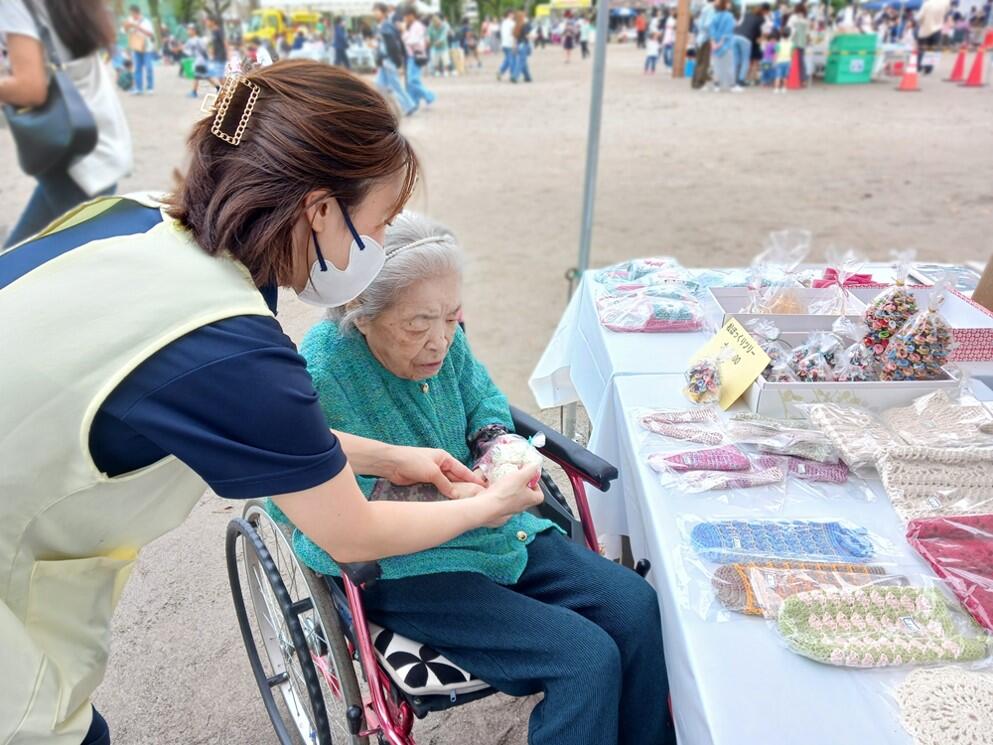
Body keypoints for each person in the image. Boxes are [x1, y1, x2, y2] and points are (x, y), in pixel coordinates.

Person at [1, 60, 551, 745]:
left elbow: (247, 425)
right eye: (378, 225)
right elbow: (352, 532)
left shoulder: (154, 224)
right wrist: (490, 504)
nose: (378, 249)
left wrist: (391, 456)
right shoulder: (229, 347)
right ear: (320, 210)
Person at [288, 212, 677, 745]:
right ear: (360, 312)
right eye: (417, 324)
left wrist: (501, 451)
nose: (440, 342)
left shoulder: (446, 340)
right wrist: (465, 496)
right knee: (584, 659)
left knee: (634, 605)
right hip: (408, 566)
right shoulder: (321, 373)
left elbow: (484, 406)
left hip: (493, 529)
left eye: (451, 317)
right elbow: (323, 507)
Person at [1, 0, 132, 249]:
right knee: (19, 256)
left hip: (68, 153)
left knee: (22, 266)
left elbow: (31, 88)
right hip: (96, 143)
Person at [373, 2, 415, 115]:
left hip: (388, 60)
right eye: (374, 10)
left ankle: (409, 106)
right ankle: (384, 109)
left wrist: (396, 60)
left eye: (377, 10)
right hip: (384, 61)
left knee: (394, 85)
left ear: (383, 12)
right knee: (379, 85)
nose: (374, 13)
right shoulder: (383, 25)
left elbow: (391, 45)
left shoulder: (386, 25)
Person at [401, 6, 435, 110]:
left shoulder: (417, 26)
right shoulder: (412, 26)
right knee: (413, 81)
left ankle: (429, 96)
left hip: (416, 56)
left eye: (406, 16)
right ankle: (413, 103)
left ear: (412, 15)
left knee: (412, 81)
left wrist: (404, 32)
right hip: (412, 56)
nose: (405, 19)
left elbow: (412, 41)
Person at [732, 2, 768, 88]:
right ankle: (740, 81)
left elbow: (738, 24)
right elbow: (763, 33)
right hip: (746, 38)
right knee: (745, 61)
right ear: (765, 11)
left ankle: (733, 80)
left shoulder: (747, 14)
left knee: (736, 60)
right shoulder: (762, 19)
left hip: (735, 35)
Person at [122, 3, 154, 94]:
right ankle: (138, 88)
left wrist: (137, 27)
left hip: (146, 48)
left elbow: (150, 34)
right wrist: (126, 26)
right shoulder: (130, 20)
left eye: (133, 13)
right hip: (135, 47)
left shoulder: (146, 21)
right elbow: (124, 31)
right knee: (137, 68)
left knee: (149, 68)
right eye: (131, 14)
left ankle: (150, 88)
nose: (132, 15)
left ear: (138, 13)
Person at [709, 0, 737, 91]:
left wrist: (714, 43)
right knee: (729, 65)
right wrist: (720, 43)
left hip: (715, 45)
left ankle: (716, 85)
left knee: (716, 66)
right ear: (725, 5)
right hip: (726, 44)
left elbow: (711, 30)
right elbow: (728, 32)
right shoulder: (729, 16)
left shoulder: (714, 16)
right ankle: (732, 85)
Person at [916, 0, 950, 72]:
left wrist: (919, 22)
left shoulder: (927, 4)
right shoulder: (944, 3)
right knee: (932, 49)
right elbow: (946, 13)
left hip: (925, 29)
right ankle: (929, 68)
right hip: (938, 28)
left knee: (922, 48)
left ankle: (919, 66)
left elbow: (920, 16)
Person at [693, 0, 716, 89]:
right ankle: (700, 83)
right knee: (704, 62)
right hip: (705, 38)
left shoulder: (704, 8)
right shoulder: (711, 9)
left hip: (700, 37)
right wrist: (712, 36)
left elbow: (699, 23)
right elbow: (708, 25)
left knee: (699, 61)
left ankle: (695, 82)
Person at [787, 4, 809, 85]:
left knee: (791, 61)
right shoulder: (805, 19)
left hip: (793, 42)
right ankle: (803, 79)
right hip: (802, 43)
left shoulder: (793, 17)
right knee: (801, 61)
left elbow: (788, 29)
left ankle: (791, 78)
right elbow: (807, 33)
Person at [510, 10, 532, 83]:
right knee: (521, 62)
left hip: (518, 45)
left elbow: (515, 38)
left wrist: (514, 47)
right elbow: (527, 35)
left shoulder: (515, 26)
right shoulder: (524, 25)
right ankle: (515, 76)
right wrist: (534, 37)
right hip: (524, 44)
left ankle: (527, 77)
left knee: (523, 61)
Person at [205, 15, 227, 80]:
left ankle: (228, 89)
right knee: (220, 76)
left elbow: (225, 42)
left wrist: (228, 54)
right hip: (217, 56)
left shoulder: (218, 30)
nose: (206, 23)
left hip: (221, 55)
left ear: (213, 22)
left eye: (207, 21)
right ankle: (228, 89)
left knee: (220, 77)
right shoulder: (213, 31)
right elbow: (214, 44)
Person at [497, 8, 515, 79]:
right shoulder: (512, 23)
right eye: (513, 14)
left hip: (504, 43)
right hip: (510, 43)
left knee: (508, 59)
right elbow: (513, 34)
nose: (514, 15)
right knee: (511, 60)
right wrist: (514, 43)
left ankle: (500, 72)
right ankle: (512, 74)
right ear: (509, 14)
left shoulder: (503, 23)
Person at [774, 26, 792, 92]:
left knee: (777, 76)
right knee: (785, 76)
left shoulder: (778, 44)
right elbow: (791, 53)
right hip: (788, 61)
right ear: (790, 34)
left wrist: (775, 61)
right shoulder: (791, 44)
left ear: (781, 34)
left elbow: (776, 54)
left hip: (779, 61)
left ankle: (776, 89)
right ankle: (784, 88)